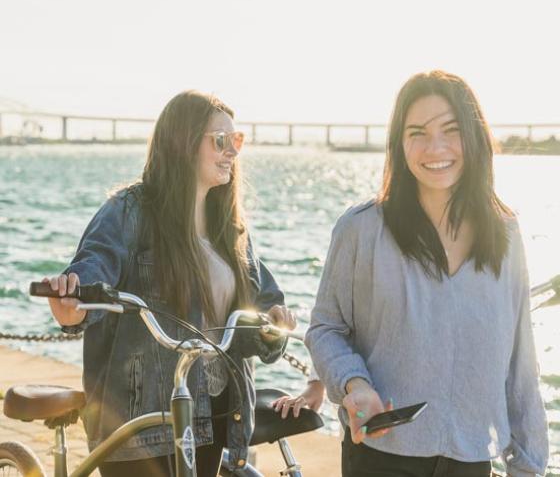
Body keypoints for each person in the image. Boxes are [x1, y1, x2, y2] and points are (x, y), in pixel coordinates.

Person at [305, 71, 549, 477]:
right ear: (399, 145)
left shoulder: (505, 232)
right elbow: (325, 328)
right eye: (417, 132)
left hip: (472, 459)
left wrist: (528, 465)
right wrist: (354, 383)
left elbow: (521, 364)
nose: (435, 147)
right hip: (381, 458)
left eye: (450, 130)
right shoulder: (361, 229)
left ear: (473, 136)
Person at [44, 90, 296, 477]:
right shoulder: (129, 211)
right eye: (220, 140)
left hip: (213, 414)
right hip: (140, 416)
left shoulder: (231, 230)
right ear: (183, 142)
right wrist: (72, 298)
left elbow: (263, 307)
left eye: (237, 140)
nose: (232, 151)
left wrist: (274, 324)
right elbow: (94, 270)